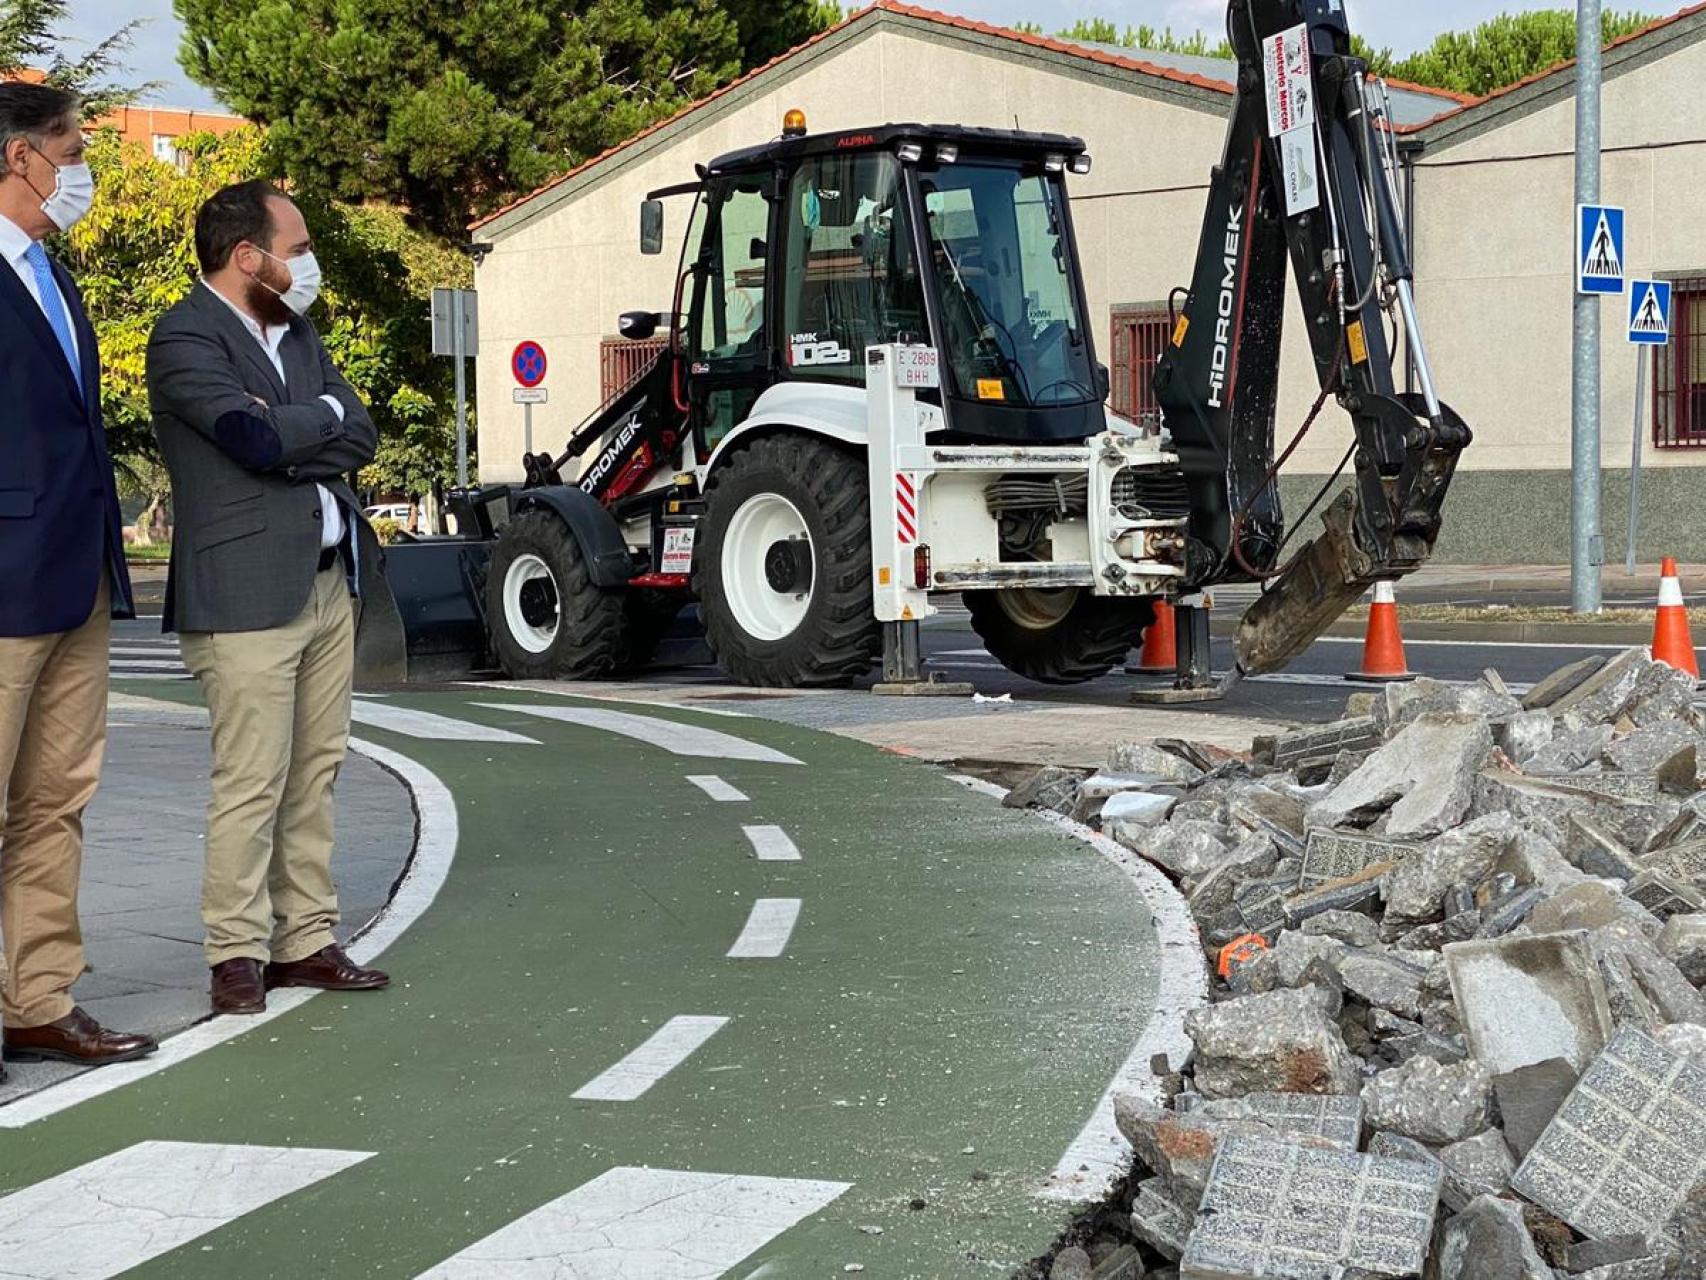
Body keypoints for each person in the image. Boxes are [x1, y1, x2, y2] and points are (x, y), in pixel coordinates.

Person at [146, 179, 390, 1016]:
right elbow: (242, 437)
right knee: (252, 779)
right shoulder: (184, 333)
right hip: (245, 590)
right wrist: (313, 420)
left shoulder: (300, 331)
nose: (308, 263)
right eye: (297, 248)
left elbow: (361, 432)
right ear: (246, 256)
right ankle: (236, 953)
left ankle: (306, 941)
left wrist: (301, 420)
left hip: (328, 582)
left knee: (315, 773)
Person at [0, 82, 157, 1068]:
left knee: (56, 797)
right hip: (4, 577)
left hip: (77, 573)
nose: (83, 172)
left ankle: (36, 996)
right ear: (19, 157)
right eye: (73, 150)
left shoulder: (51, 274)